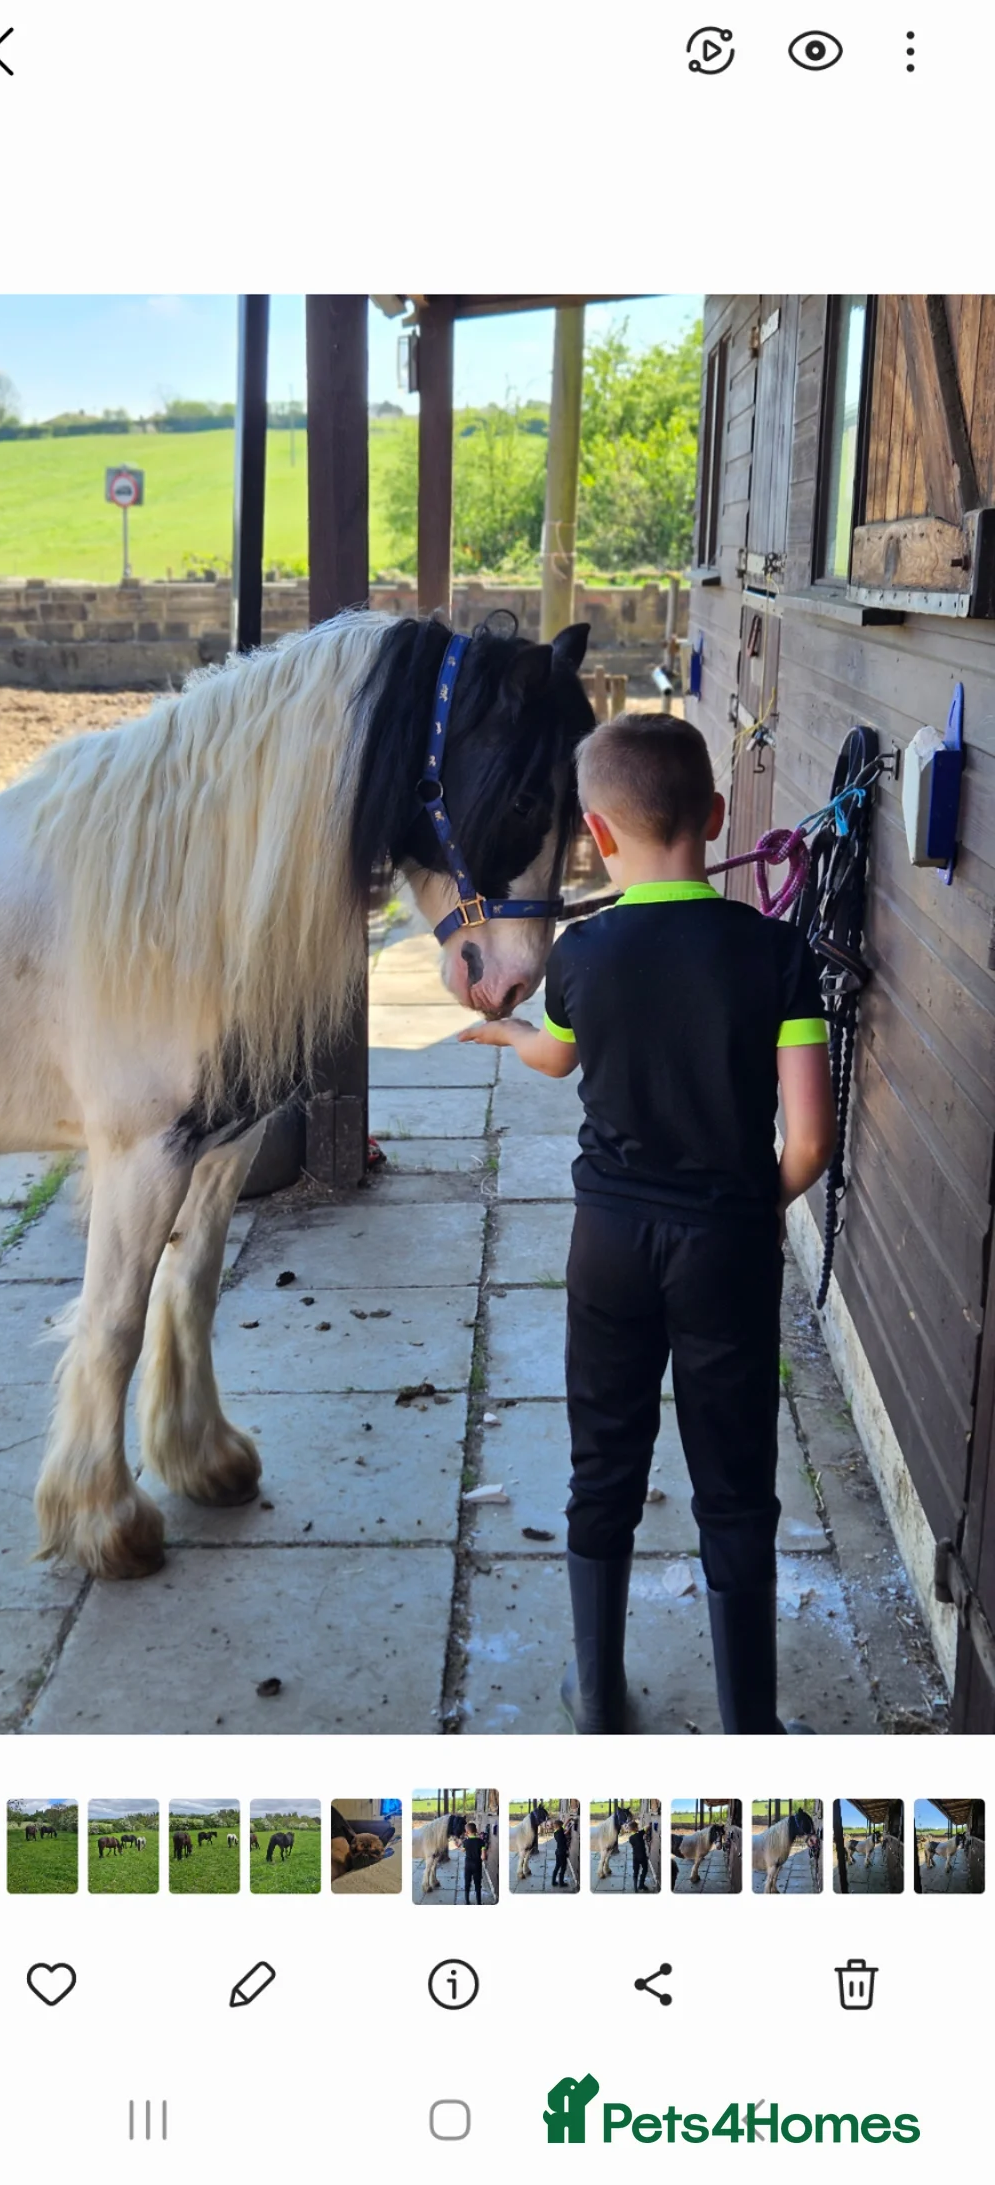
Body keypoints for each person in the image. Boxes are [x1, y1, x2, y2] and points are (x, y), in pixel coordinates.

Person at [460, 712, 836, 1735]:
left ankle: (598, 1702)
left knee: (604, 1465)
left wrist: (508, 1030)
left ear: (596, 832)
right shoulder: (775, 952)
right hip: (725, 1248)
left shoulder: (584, 955)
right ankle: (749, 1726)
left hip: (610, 1248)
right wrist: (743, 1211)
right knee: (734, 1483)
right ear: (715, 817)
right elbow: (808, 1142)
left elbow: (564, 1056)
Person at [461, 1819, 486, 1905]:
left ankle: (467, 1901)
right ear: (476, 1831)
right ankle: (479, 1902)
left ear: (466, 1832)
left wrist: (460, 1846)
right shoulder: (481, 1842)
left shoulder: (465, 1842)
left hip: (468, 1865)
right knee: (477, 1885)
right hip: (477, 1866)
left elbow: (463, 1850)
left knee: (467, 1883)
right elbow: (483, 1857)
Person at [551, 1820, 570, 1887]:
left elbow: (563, 1827)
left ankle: (553, 1882)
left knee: (557, 1866)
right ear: (559, 1825)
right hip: (562, 1852)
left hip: (558, 1852)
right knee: (563, 1867)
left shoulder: (556, 1832)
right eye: (561, 1825)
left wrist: (568, 1821)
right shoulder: (561, 1833)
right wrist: (567, 1833)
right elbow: (563, 1838)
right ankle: (561, 1883)